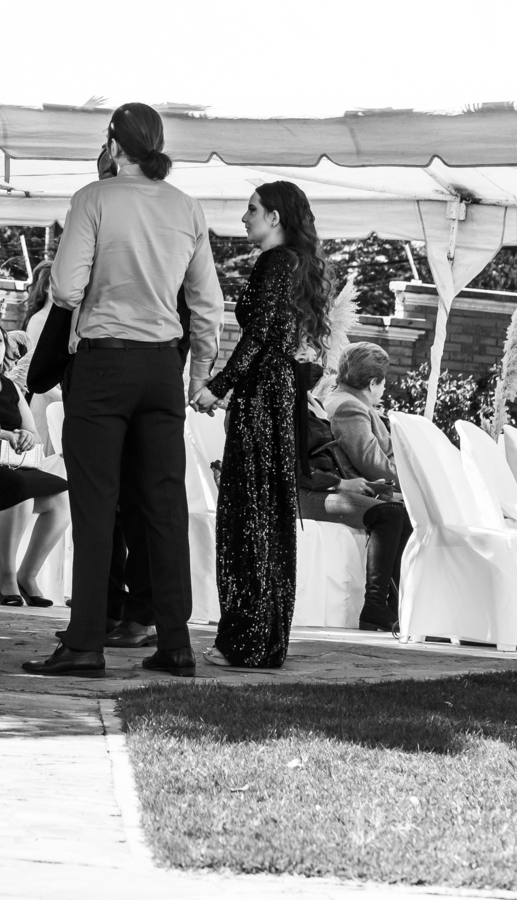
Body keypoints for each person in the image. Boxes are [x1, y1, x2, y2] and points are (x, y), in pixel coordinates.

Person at [23, 102, 224, 679]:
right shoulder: (187, 207)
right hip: (161, 368)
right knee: (164, 508)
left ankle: (86, 643)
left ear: (114, 144)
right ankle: (177, 644)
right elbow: (207, 307)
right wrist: (196, 376)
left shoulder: (95, 197)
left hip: (103, 367)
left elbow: (64, 287)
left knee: (94, 506)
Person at [194, 181, 329, 670]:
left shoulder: (276, 263)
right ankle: (264, 639)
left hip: (261, 398)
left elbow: (257, 338)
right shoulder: (297, 262)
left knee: (246, 517)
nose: (244, 218)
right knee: (266, 517)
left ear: (275, 217)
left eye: (251, 210)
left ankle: (246, 642)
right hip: (276, 396)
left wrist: (218, 386)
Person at [297, 360, 411, 632]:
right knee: (390, 513)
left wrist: (361, 484)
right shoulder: (290, 407)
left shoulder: (313, 403)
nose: (313, 364)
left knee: (400, 510)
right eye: (303, 355)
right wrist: (341, 485)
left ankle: (394, 606)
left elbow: (327, 456)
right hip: (302, 493)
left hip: (324, 486)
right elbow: (293, 467)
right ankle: (373, 607)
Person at [0, 320, 70, 605]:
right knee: (20, 488)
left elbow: (34, 434)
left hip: (10, 464)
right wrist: (2, 435)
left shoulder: (10, 387)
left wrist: (23, 437)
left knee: (61, 495)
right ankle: (6, 577)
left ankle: (27, 575)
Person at [326, 344, 399, 488]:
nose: (385, 386)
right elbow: (373, 465)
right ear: (372, 383)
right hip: (375, 491)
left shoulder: (342, 398)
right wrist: (417, 484)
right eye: (384, 379)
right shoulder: (350, 408)